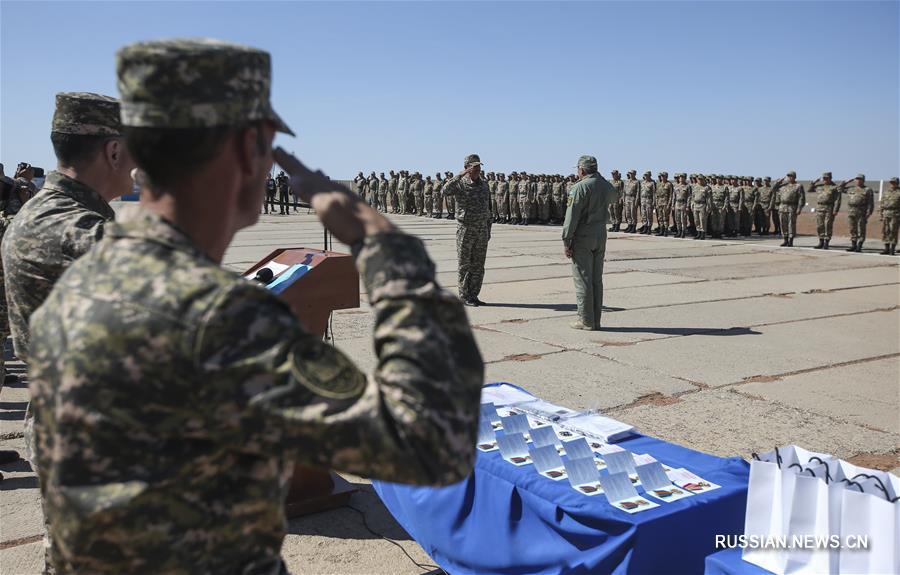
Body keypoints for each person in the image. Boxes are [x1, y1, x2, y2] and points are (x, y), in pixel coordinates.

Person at [28, 39, 483, 574]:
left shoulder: (88, 279)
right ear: (245, 157)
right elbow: (432, 445)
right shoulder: (221, 316)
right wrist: (388, 252)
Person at [562, 155, 613, 330]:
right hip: (600, 234)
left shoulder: (579, 188)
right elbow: (615, 196)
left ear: (582, 170)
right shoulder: (605, 185)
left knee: (583, 279)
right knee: (596, 279)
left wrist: (566, 241)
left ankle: (585, 320)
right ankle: (596, 320)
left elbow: (571, 217)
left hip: (583, 236)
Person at [442, 154, 492, 306]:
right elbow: (445, 190)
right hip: (466, 229)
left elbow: (488, 207)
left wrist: (489, 229)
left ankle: (474, 295)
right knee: (465, 264)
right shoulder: (460, 183)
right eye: (474, 167)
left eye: (479, 167)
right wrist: (459, 175)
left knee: (478, 264)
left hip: (482, 229)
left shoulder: (484, 184)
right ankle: (464, 296)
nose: (477, 170)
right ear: (466, 168)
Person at [808, 171, 845, 249]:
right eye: (824, 178)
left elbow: (838, 200)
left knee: (827, 225)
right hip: (819, 208)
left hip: (829, 208)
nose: (825, 179)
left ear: (830, 178)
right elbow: (809, 190)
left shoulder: (834, 187)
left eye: (826, 178)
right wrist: (813, 183)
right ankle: (821, 241)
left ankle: (826, 242)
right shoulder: (819, 186)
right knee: (819, 225)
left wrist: (835, 210)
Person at [773, 170, 806, 247]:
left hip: (792, 207)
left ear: (794, 177)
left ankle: (790, 241)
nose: (789, 177)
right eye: (788, 176)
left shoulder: (798, 186)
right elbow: (774, 189)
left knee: (791, 224)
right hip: (782, 207)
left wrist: (799, 208)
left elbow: (802, 198)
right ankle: (785, 240)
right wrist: (778, 182)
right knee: (783, 224)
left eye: (791, 176)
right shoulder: (783, 186)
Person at [844, 173, 875, 252]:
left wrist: (869, 213)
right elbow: (839, 189)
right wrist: (846, 182)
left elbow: (870, 203)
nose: (858, 181)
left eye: (860, 179)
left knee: (861, 229)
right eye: (857, 179)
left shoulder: (867, 189)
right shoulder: (851, 188)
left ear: (863, 180)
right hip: (851, 211)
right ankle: (853, 245)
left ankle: (859, 245)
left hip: (861, 211)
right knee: (852, 228)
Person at [880, 177, 900, 255]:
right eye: (891, 182)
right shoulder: (886, 192)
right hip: (886, 213)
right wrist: (881, 213)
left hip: (895, 214)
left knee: (893, 231)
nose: (892, 184)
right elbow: (882, 203)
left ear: (897, 183)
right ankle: (886, 248)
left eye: (894, 182)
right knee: (885, 231)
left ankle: (892, 249)